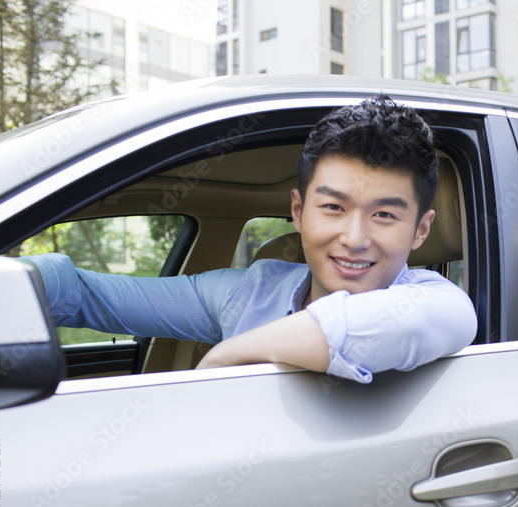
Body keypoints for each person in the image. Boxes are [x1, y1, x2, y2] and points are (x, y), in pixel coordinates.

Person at [24, 95, 478, 383]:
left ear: (421, 230)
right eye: (334, 208)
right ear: (298, 212)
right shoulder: (252, 290)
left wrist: (226, 357)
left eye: (383, 214)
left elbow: (394, 323)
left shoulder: (437, 302)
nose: (354, 238)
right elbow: (87, 294)